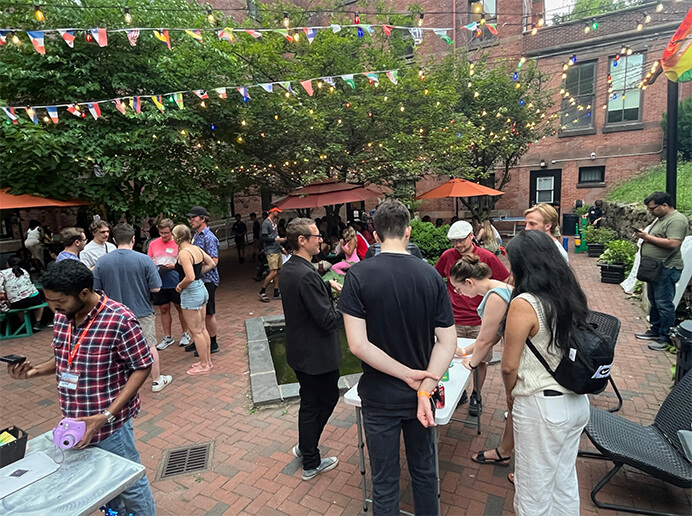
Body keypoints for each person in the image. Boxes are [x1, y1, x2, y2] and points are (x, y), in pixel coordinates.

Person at [7, 259, 156, 516]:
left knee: (127, 481)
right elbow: (64, 359)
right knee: (99, 480)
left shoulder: (119, 320)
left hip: (110, 423)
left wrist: (105, 416)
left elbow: (142, 366)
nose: (53, 309)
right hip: (75, 420)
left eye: (59, 302)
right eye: (50, 302)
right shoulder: (65, 317)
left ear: (84, 293)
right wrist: (32, 372)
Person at [339, 200, 456, 516]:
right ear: (408, 232)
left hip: (379, 398)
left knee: (385, 481)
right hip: (422, 397)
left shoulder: (358, 276)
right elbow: (447, 342)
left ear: (375, 235)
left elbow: (358, 345)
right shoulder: (431, 276)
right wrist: (423, 384)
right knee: (425, 474)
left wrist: (407, 375)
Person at [502, 229, 590, 516]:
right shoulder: (569, 293)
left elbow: (509, 365)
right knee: (564, 480)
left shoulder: (525, 303)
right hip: (576, 402)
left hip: (542, 406)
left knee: (532, 490)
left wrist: (510, 395)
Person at [282, 218, 343, 481]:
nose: (321, 239)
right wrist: (349, 305)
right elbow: (328, 320)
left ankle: (305, 448)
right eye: (316, 236)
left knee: (309, 402)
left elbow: (306, 302)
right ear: (301, 240)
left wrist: (326, 289)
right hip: (316, 355)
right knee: (323, 400)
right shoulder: (306, 275)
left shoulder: (291, 269)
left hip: (300, 350)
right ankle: (310, 458)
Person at [435, 220, 509, 416]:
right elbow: (435, 278)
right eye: (454, 241)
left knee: (480, 361)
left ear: (471, 236)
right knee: (455, 358)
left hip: (481, 320)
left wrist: (471, 359)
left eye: (461, 240)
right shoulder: (447, 256)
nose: (458, 245)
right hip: (455, 317)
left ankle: (477, 393)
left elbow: (487, 339)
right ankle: (460, 394)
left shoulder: (487, 261)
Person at [448, 255, 514, 467]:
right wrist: (465, 351)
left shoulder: (495, 296)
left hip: (520, 359)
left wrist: (471, 363)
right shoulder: (499, 287)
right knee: (514, 407)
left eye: (458, 288)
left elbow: (486, 339)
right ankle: (506, 449)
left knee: (515, 406)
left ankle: (506, 452)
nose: (458, 293)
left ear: (469, 282)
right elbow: (492, 335)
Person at [93, 223, 172, 393]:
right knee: (150, 345)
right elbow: (156, 287)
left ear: (114, 240)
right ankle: (156, 380)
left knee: (116, 349)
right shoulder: (144, 260)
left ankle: (120, 384)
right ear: (133, 239)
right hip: (141, 310)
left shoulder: (101, 262)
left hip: (112, 315)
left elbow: (96, 291)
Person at [634, 191, 689, 350]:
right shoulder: (662, 218)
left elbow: (673, 243)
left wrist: (647, 237)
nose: (650, 212)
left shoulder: (677, 220)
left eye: (653, 208)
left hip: (667, 267)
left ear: (664, 205)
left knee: (664, 303)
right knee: (654, 300)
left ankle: (665, 338)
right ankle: (655, 330)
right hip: (656, 268)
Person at [172, 224, 217, 375]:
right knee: (202, 328)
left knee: (196, 331)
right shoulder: (196, 248)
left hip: (191, 292)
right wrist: (199, 274)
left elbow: (189, 277)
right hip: (202, 288)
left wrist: (179, 286)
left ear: (177, 237)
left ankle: (204, 365)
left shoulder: (184, 253)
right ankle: (207, 361)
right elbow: (211, 263)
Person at [147, 218, 191, 351]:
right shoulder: (153, 244)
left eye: (166, 232)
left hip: (176, 281)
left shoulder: (179, 244)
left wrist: (174, 266)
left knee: (180, 307)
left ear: (171, 231)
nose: (164, 236)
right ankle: (167, 336)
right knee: (164, 309)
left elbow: (186, 262)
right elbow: (148, 260)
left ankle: (185, 333)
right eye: (161, 233)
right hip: (160, 281)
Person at [188, 206, 220, 355]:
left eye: (193, 217)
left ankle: (213, 342)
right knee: (198, 312)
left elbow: (214, 260)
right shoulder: (196, 236)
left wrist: (196, 272)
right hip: (199, 280)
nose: (190, 220)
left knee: (209, 313)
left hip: (208, 280)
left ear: (202, 218)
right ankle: (198, 340)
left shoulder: (209, 237)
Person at [0, 256, 45, 331]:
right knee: (39, 305)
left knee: (17, 304)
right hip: (33, 298)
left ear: (7, 264)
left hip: (17, 302)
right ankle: (37, 323)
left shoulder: (2, 273)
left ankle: (24, 323)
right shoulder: (24, 271)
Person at [259, 207, 286, 302]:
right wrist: (278, 240)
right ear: (272, 212)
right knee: (273, 271)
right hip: (271, 250)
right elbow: (264, 238)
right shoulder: (266, 223)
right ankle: (262, 290)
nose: (278, 214)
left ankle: (276, 291)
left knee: (277, 271)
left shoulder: (274, 223)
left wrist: (282, 248)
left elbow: (275, 235)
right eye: (277, 212)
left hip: (277, 249)